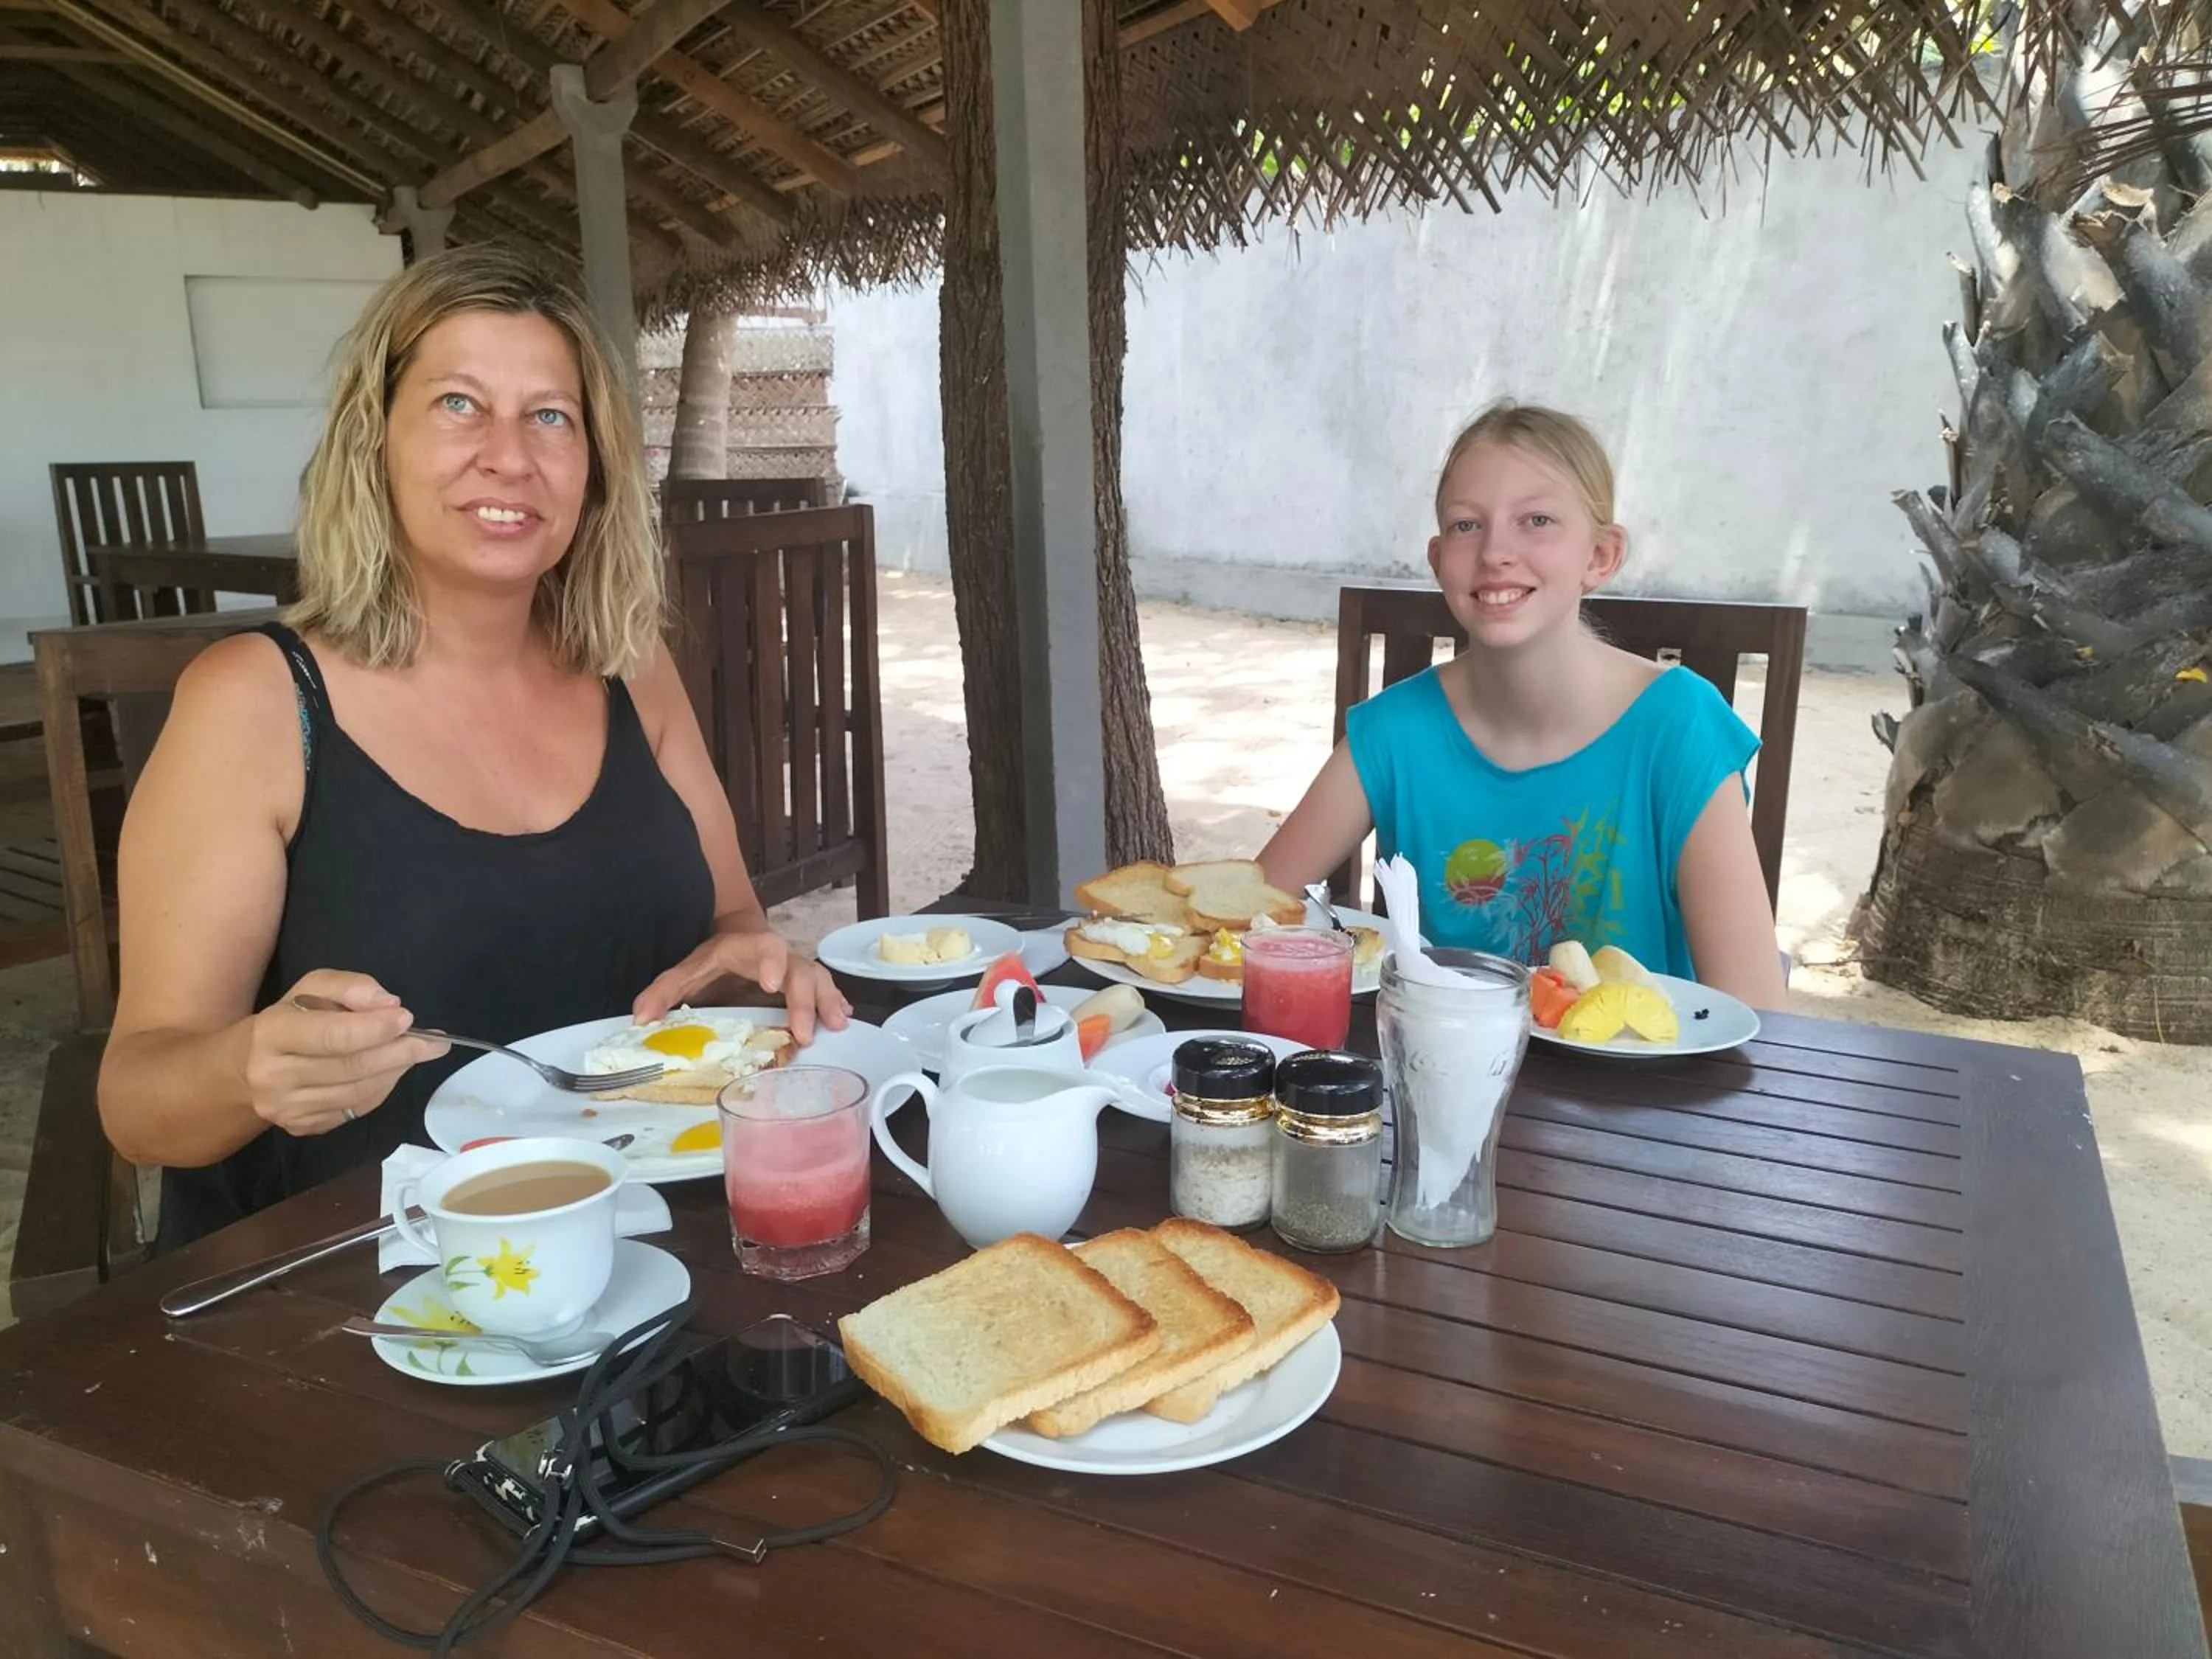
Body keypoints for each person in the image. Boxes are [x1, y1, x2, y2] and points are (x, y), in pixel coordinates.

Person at [100, 245, 851, 1250]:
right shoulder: (257, 701)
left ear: (593, 467)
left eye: (551, 416)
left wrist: (747, 965)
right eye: (459, 404)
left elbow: (730, 928)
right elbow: (138, 1101)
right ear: (375, 440)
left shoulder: (631, 669)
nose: (510, 456)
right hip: (354, 1287)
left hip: (635, 1250)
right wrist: (248, 1070)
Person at [1259, 400, 1785, 1008]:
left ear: (1600, 556)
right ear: (1438, 561)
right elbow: (1248, 915)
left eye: (1537, 520)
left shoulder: (1680, 728)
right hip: (1437, 1058)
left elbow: (1757, 1012)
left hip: (1644, 1066)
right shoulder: (1393, 732)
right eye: (1466, 525)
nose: (1496, 552)